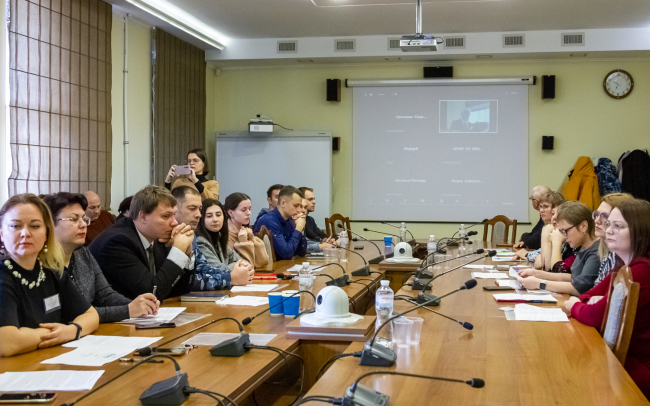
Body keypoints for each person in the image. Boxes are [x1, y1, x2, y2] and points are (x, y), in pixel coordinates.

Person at [564, 199, 650, 398]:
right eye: (609, 224)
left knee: (571, 370)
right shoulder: (622, 265)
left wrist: (576, 305)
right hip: (621, 355)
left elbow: (594, 315)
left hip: (638, 362)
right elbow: (588, 296)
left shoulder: (642, 269)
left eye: (618, 226)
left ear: (640, 231)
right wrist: (587, 303)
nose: (609, 230)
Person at [0, 194, 98, 357]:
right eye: (16, 226)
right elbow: (7, 343)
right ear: (2, 234)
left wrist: (70, 331)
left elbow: (91, 316)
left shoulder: (51, 271)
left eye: (35, 226)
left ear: (47, 233)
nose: (25, 233)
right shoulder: (3, 275)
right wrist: (55, 334)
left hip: (47, 360)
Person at [43, 193, 160, 323]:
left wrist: (140, 305)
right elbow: (73, 313)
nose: (83, 225)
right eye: (74, 219)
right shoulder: (43, 263)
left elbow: (105, 295)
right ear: (50, 223)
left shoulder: (83, 253)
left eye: (84, 219)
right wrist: (127, 310)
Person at [88, 185, 195, 301]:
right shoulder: (117, 242)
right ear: (143, 217)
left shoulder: (158, 237)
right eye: (166, 216)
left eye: (174, 215)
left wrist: (186, 253)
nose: (174, 223)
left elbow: (179, 291)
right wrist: (178, 251)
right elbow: (152, 293)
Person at [517, 201, 600, 295]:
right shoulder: (583, 246)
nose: (563, 236)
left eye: (565, 231)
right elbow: (573, 277)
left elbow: (579, 288)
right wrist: (537, 274)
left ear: (584, 226)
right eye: (561, 231)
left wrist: (540, 284)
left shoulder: (596, 252)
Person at [194, 199, 255, 289]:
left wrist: (239, 267)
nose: (215, 219)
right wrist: (236, 268)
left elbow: (242, 261)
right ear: (201, 219)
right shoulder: (200, 241)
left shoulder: (219, 237)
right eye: (209, 216)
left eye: (218, 215)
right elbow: (218, 270)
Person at [253, 186, 307, 260]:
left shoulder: (290, 220)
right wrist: (298, 229)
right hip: (270, 266)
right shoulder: (269, 221)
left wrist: (301, 230)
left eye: (300, 206)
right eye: (296, 206)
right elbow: (286, 254)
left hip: (283, 265)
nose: (299, 210)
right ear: (283, 203)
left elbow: (301, 252)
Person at [592, 193, 634, 285]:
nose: (597, 221)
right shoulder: (609, 254)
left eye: (605, 216)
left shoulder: (622, 258)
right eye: (597, 214)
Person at [224, 193, 269, 268]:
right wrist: (244, 242)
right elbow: (246, 266)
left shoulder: (246, 231)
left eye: (249, 209)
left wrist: (252, 239)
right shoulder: (225, 236)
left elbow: (263, 261)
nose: (249, 213)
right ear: (231, 213)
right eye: (243, 210)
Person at [523, 191, 564, 266]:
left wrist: (527, 255)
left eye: (546, 206)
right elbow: (541, 251)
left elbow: (544, 263)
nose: (541, 210)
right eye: (541, 207)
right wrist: (537, 256)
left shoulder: (554, 229)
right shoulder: (546, 226)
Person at [513, 185, 551, 250]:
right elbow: (534, 235)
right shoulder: (543, 216)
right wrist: (525, 242)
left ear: (536, 202)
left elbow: (533, 241)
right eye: (541, 207)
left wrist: (524, 237)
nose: (542, 210)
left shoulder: (548, 218)